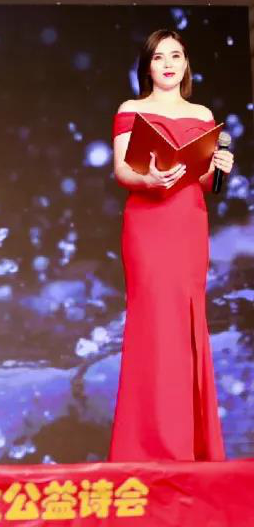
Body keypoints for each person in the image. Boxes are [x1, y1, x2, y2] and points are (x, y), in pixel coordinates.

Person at [109, 29, 233, 461]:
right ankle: (145, 446)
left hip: (188, 222)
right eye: (159, 57)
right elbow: (123, 170)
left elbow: (207, 181)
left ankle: (191, 444)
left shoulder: (202, 114)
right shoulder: (131, 109)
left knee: (186, 321)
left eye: (175, 56)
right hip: (147, 223)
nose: (167, 64)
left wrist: (220, 167)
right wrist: (149, 178)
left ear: (185, 64)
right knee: (152, 322)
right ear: (147, 66)